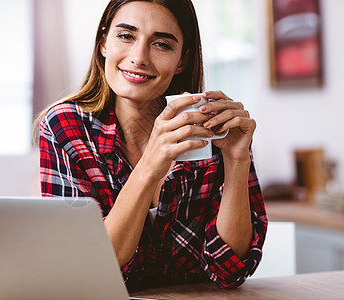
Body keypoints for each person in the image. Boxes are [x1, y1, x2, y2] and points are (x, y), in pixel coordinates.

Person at [35, 0, 267, 292]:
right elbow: (86, 269)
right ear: (104, 42)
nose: (139, 57)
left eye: (161, 44)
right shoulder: (65, 126)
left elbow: (229, 270)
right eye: (126, 36)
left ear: (182, 59)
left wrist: (236, 161)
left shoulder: (208, 129)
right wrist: (149, 167)